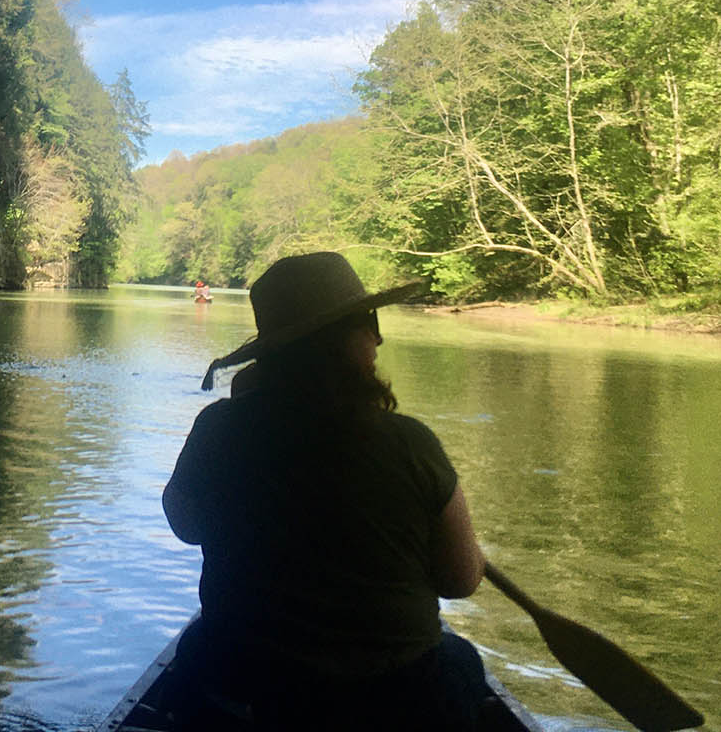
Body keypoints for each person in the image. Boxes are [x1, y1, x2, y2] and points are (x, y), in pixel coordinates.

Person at [162, 251, 493, 730]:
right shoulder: (410, 443)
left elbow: (185, 526)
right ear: (335, 340)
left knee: (196, 652)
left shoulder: (219, 429)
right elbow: (460, 581)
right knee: (459, 661)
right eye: (368, 321)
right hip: (391, 698)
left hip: (248, 686)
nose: (379, 337)